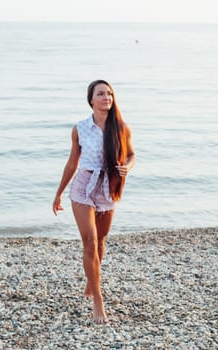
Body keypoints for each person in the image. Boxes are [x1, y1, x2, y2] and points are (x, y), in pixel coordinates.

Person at [52, 80, 135, 324]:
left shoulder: (120, 127)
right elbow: (72, 163)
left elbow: (131, 154)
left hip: (108, 188)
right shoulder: (80, 128)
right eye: (101, 94)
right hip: (83, 186)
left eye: (109, 93)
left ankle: (92, 280)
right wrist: (58, 193)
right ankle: (98, 300)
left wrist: (127, 168)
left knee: (100, 242)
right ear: (91, 100)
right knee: (89, 241)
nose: (106, 97)